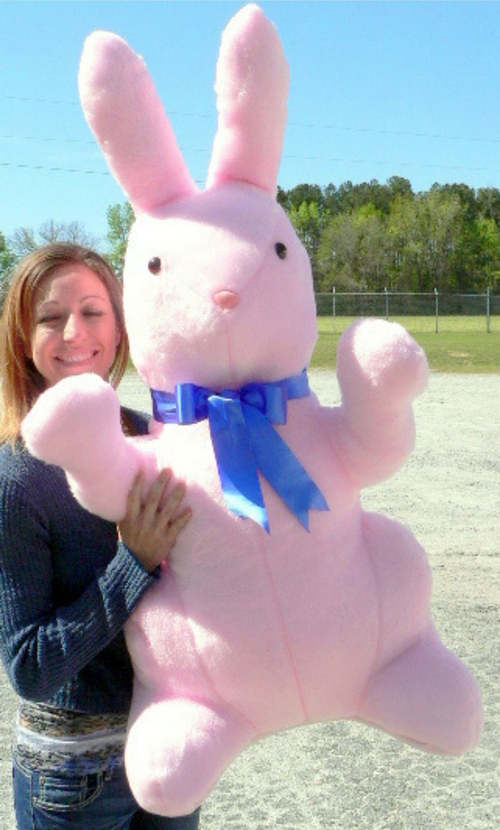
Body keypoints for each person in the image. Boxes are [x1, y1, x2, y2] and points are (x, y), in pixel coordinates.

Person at [0, 243, 200, 830]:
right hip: (72, 779)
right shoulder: (17, 478)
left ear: (119, 328)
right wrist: (132, 563)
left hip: (171, 752)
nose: (73, 332)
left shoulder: (153, 438)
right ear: (23, 338)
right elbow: (28, 666)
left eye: (92, 312)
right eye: (48, 317)